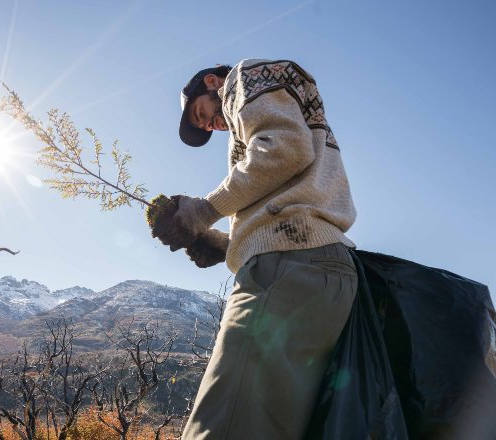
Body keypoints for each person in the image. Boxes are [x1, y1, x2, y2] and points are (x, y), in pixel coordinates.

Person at [150, 59, 358, 439]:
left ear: (212, 82)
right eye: (205, 126)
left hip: (287, 266)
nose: (211, 125)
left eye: (202, 113)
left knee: (220, 427)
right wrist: (229, 245)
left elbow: (283, 152)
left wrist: (203, 211)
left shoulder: (246, 78)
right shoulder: (278, 103)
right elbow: (292, 187)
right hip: (325, 267)